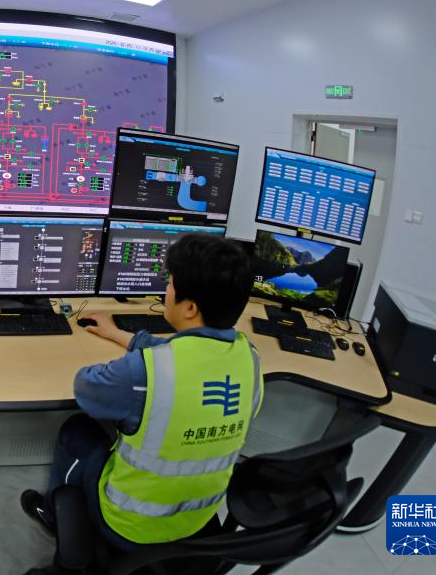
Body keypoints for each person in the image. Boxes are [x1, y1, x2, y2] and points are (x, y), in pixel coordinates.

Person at [21, 234, 263, 549]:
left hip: (131, 521)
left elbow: (86, 388)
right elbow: (185, 355)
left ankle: (55, 516)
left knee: (76, 429)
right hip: (199, 517)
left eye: (170, 284)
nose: (165, 292)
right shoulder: (250, 359)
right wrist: (119, 334)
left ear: (190, 307)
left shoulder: (144, 373)